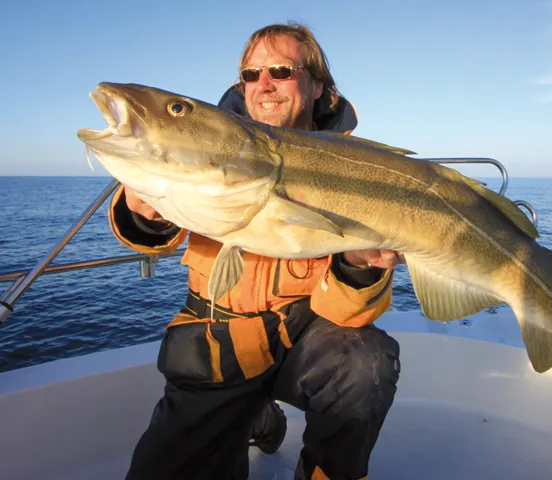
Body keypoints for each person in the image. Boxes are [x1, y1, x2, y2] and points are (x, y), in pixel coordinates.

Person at [110, 23, 403, 480]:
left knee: (366, 361)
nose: (263, 84)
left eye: (281, 70)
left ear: (317, 85)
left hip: (309, 338)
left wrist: (357, 266)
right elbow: (154, 229)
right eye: (250, 75)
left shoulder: (358, 167)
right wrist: (145, 210)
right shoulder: (210, 144)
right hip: (217, 341)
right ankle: (256, 415)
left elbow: (349, 312)